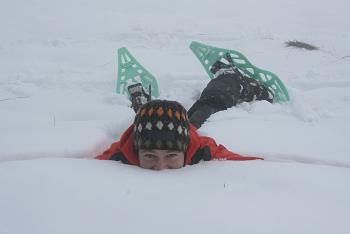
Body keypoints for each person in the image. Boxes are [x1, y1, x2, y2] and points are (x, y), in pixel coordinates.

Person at [96, 56, 273, 170]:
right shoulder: (122, 151)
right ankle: (141, 102)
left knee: (210, 103)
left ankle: (230, 77)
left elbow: (251, 166)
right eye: (150, 156)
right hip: (158, 128)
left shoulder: (202, 149)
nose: (160, 167)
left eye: (171, 155)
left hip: (185, 128)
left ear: (185, 149)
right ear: (137, 150)